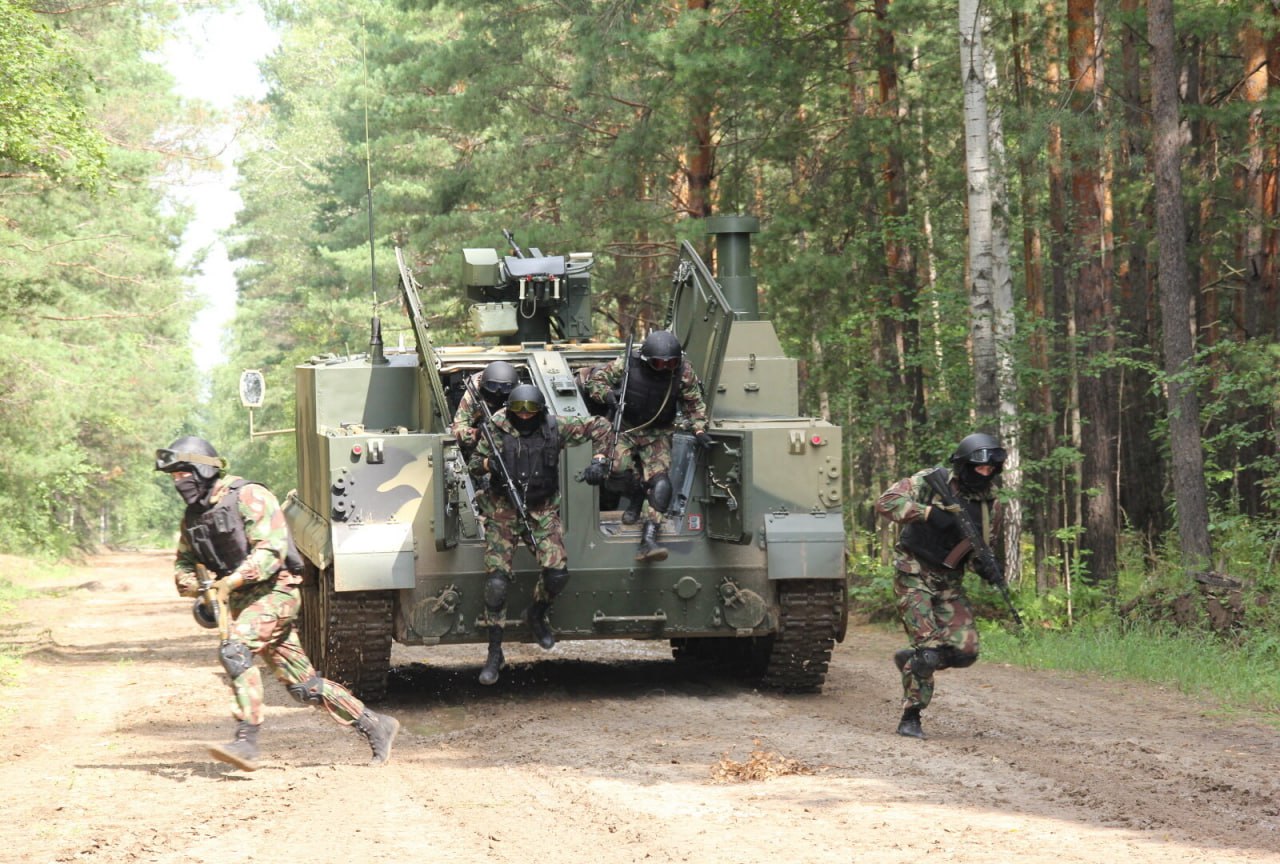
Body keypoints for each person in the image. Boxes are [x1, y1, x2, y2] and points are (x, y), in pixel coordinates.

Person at [155, 436, 400, 771]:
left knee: (235, 650)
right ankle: (376, 725)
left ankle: (247, 742)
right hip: (243, 604)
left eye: (182, 474)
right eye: (173, 477)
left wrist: (232, 581)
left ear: (200, 469)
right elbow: (183, 566)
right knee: (304, 687)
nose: (177, 482)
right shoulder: (193, 518)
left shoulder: (248, 496)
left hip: (276, 594)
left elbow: (271, 552)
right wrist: (203, 587)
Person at [468, 384, 611, 685]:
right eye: (517, 409)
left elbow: (600, 426)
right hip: (503, 509)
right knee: (496, 584)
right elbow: (472, 465)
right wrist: (486, 463)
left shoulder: (554, 428)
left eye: (529, 410)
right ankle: (495, 653)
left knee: (557, 573)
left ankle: (536, 613)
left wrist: (599, 460)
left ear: (540, 410)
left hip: (542, 509)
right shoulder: (496, 427)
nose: (523, 415)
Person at [874, 432, 1007, 739]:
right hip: (914, 573)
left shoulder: (990, 505)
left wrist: (986, 567)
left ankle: (911, 661)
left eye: (990, 469)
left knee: (966, 652)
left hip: (949, 583)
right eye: (979, 468)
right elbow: (885, 502)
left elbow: (976, 550)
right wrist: (928, 513)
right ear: (964, 466)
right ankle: (911, 715)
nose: (985, 474)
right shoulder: (930, 482)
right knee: (930, 651)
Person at [586, 329, 712, 562]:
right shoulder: (627, 364)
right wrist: (607, 395)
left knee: (661, 483)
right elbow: (595, 381)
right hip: (626, 428)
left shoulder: (683, 371)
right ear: (646, 361)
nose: (665, 368)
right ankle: (636, 496)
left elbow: (694, 403)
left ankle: (650, 537)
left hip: (657, 433)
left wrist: (699, 429)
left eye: (671, 363)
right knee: (615, 472)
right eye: (658, 363)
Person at [451, 359, 520, 457]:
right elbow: (457, 430)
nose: (498, 392)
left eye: (505, 386)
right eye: (493, 385)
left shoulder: (519, 394)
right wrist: (478, 434)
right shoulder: (473, 394)